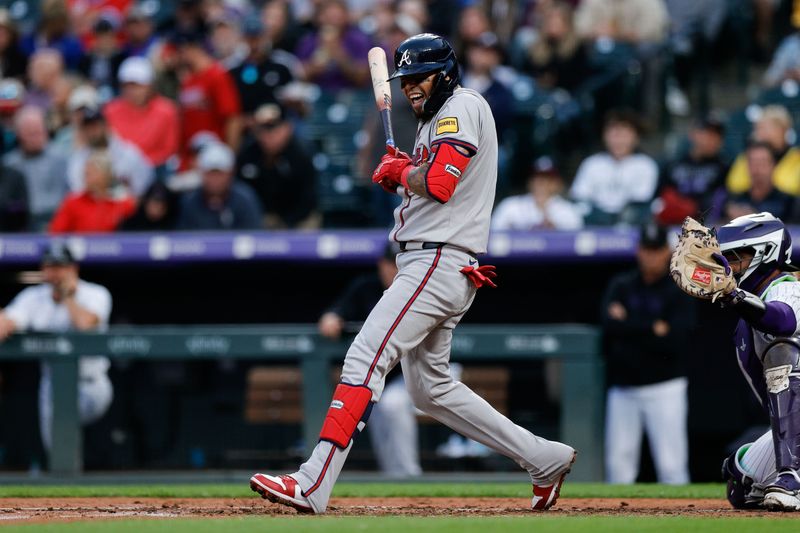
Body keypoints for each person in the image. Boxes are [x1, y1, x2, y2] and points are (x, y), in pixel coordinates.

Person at [250, 33, 576, 515]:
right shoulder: (433, 123)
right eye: (405, 80)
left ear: (444, 73)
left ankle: (313, 481)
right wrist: (406, 168)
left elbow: (440, 184)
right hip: (439, 261)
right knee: (430, 388)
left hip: (437, 260)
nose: (409, 88)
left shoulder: (461, 106)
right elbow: (437, 177)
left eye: (419, 77)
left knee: (365, 354)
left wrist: (401, 173)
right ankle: (543, 458)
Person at [707, 212, 800, 510]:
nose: (728, 267)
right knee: (740, 481)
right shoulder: (746, 316)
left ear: (764, 253)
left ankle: (791, 476)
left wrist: (735, 295)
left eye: (736, 257)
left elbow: (783, 321)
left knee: (781, 350)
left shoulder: (788, 287)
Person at [318, 242, 422, 477]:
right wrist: (332, 317)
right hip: (381, 377)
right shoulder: (366, 287)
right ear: (381, 265)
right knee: (373, 404)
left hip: (414, 374)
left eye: (400, 265)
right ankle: (394, 477)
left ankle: (409, 476)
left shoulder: (419, 291)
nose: (395, 271)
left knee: (392, 404)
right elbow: (334, 315)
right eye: (390, 265)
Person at [601, 222, 694, 484]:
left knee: (672, 466)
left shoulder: (678, 288)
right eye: (646, 249)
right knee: (618, 466)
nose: (651, 255)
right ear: (638, 250)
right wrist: (652, 327)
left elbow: (675, 339)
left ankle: (681, 522)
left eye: (656, 249)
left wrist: (628, 324)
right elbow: (608, 328)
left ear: (667, 251)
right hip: (623, 388)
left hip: (665, 387)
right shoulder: (621, 284)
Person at [0, 241, 113, 454]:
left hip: (90, 385)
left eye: (60, 267)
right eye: (50, 267)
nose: (55, 273)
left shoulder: (96, 294)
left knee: (62, 422)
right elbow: (9, 320)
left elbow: (86, 324)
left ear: (73, 269)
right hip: (51, 385)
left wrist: (68, 296)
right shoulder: (34, 297)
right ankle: (67, 482)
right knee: (56, 449)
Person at [236, 103, 318, 229]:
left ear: (287, 128)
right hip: (259, 217)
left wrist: (286, 224)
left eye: (274, 128)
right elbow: (240, 193)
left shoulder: (301, 154)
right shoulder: (248, 154)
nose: (268, 135)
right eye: (262, 129)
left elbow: (308, 199)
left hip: (297, 217)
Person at [569, 109, 659, 225]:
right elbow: (579, 197)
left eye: (624, 135)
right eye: (614, 134)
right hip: (594, 222)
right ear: (604, 136)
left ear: (636, 138)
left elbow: (641, 201)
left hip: (631, 222)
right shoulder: (592, 163)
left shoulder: (645, 165)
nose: (618, 140)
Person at [173, 30, 243, 169]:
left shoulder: (217, 75)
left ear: (191, 48)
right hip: (191, 157)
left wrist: (230, 155)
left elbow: (233, 118)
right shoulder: (188, 80)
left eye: (181, 51)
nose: (179, 56)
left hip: (214, 155)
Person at [103, 56, 180, 169]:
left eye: (136, 86)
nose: (131, 91)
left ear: (149, 86)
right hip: (119, 169)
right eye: (126, 86)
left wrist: (141, 165)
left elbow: (169, 149)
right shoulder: (110, 110)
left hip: (156, 168)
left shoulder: (167, 110)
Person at [655, 115, 728, 225]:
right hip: (672, 224)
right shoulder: (673, 165)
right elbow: (659, 199)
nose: (711, 139)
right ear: (693, 134)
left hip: (706, 225)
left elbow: (721, 203)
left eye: (716, 135)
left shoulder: (724, 168)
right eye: (706, 133)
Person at [66, 106, 154, 198]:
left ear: (105, 126)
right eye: (87, 128)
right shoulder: (78, 159)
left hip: (124, 207)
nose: (91, 132)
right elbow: (77, 190)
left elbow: (143, 187)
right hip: (92, 208)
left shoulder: (129, 154)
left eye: (94, 126)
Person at [3, 106, 68, 230]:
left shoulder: (60, 159)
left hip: (54, 221)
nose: (36, 138)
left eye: (39, 132)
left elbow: (66, 196)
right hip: (19, 225)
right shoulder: (10, 164)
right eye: (31, 133)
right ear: (19, 134)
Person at [176, 142, 263, 230]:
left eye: (220, 174)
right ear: (202, 174)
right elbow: (184, 237)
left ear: (230, 173)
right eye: (210, 173)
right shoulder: (190, 201)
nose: (215, 179)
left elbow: (253, 236)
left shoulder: (245, 199)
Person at [50, 150, 136, 233]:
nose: (85, 176)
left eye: (92, 172)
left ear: (106, 175)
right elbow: (56, 233)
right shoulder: (73, 202)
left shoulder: (123, 203)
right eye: (86, 173)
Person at [491, 156, 583, 231]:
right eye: (537, 178)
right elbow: (493, 234)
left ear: (557, 184)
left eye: (547, 179)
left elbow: (577, 235)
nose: (541, 183)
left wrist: (556, 229)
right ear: (529, 182)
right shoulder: (511, 205)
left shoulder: (567, 210)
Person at [726, 106, 800, 196]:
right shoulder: (746, 157)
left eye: (769, 128)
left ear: (784, 130)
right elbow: (735, 185)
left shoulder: (797, 158)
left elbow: (790, 188)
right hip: (751, 207)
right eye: (759, 129)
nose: (762, 134)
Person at [725, 142, 794, 222]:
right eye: (753, 163)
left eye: (763, 163)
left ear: (773, 165)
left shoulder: (789, 203)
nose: (758, 169)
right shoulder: (735, 201)